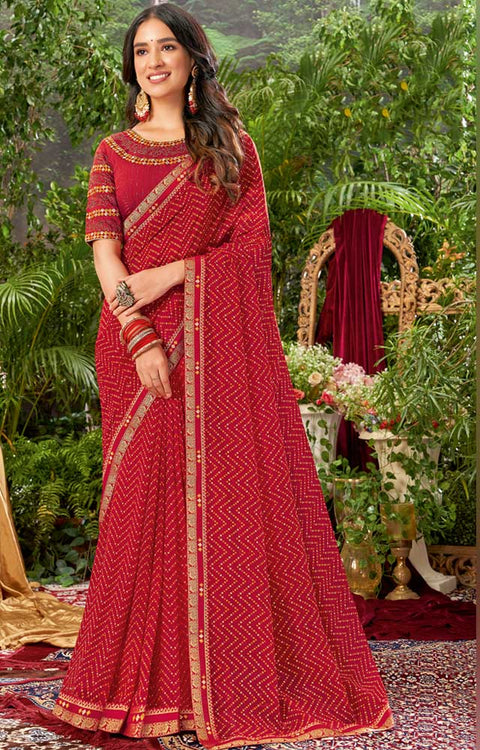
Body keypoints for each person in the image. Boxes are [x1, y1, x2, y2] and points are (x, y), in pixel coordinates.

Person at [53, 4, 394, 748]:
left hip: (214, 348)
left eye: (165, 47)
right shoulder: (113, 153)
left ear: (192, 59)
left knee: (217, 507)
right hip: (136, 345)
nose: (153, 62)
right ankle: (142, 686)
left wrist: (175, 271)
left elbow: (249, 255)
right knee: (144, 510)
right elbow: (106, 255)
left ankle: (211, 687)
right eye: (141, 51)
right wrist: (140, 334)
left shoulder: (232, 152)